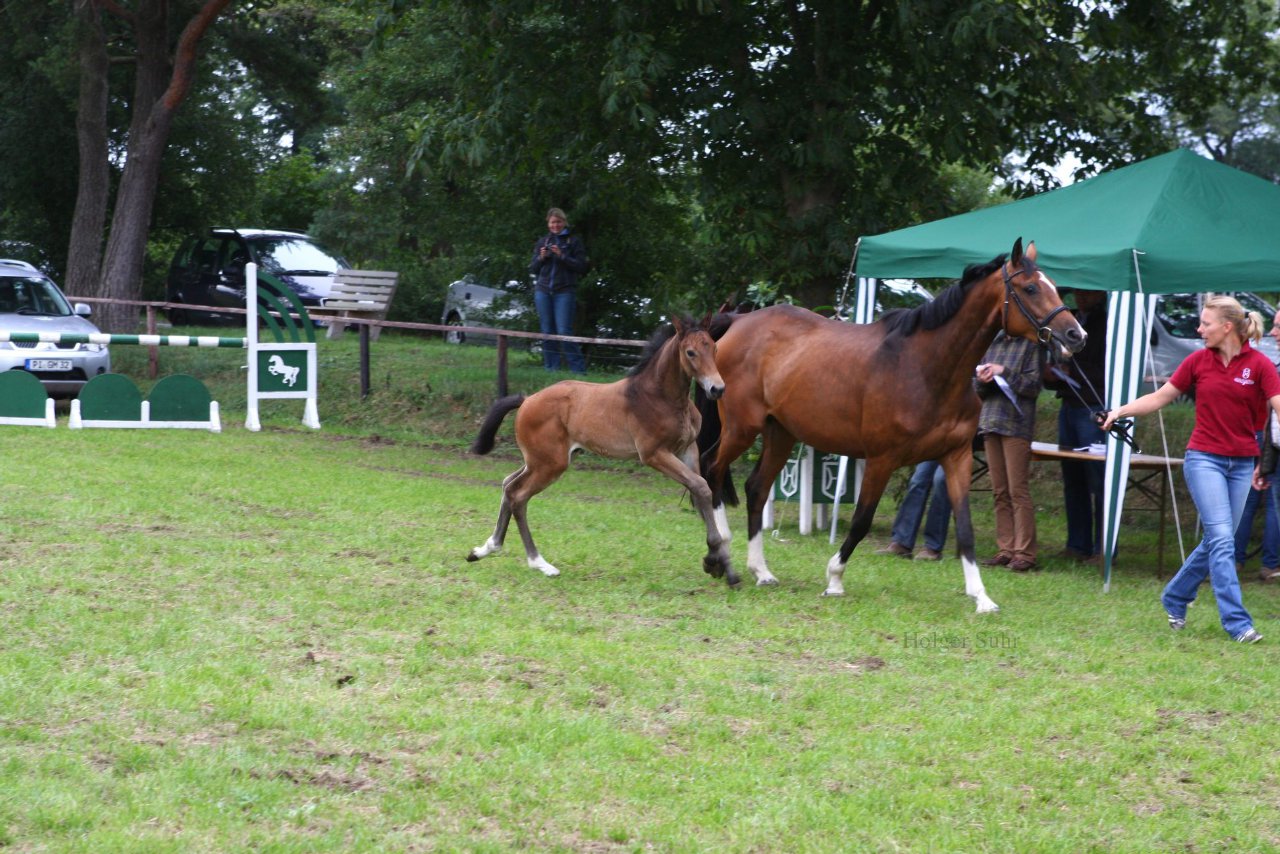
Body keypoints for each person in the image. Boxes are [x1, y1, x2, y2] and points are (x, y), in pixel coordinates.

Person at [1103, 295, 1280, 644]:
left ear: (1227, 327)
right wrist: (1119, 411)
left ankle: (1175, 595)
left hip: (1243, 462)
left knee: (1218, 540)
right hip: (1204, 459)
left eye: (1205, 324)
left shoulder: (1260, 365)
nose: (1199, 329)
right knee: (1223, 540)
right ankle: (1237, 623)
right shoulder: (1197, 361)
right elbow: (1159, 397)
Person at [1043, 288, 1108, 563]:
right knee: (1072, 478)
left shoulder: (1107, 322)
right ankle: (1077, 543)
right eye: (1077, 290)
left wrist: (1071, 370)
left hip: (1093, 406)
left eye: (1087, 290)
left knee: (1099, 479)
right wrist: (1053, 375)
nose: (1081, 295)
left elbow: (1106, 367)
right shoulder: (1070, 317)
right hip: (1069, 404)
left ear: (1101, 293)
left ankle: (1103, 547)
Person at [975, 332, 1044, 572]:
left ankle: (1025, 553)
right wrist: (982, 380)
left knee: (1018, 491)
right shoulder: (991, 343)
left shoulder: (1032, 345)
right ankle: (1006, 549)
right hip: (990, 422)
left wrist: (1003, 371)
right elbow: (977, 390)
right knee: (999, 491)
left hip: (1016, 425)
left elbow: (1034, 386)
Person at [1234, 307, 1280, 582]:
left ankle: (1237, 559)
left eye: (1278, 327)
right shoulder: (1268, 365)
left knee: (1249, 498)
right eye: (1273, 326)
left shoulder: (1266, 365)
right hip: (1265, 440)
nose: (1274, 332)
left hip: (1260, 437)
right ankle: (1270, 564)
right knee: (1265, 501)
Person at [528, 207, 588, 373]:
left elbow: (581, 266)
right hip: (543, 290)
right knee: (547, 331)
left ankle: (578, 370)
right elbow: (533, 268)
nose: (556, 225)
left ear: (564, 222)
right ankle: (551, 368)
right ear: (548, 224)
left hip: (564, 291)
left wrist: (562, 255)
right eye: (552, 222)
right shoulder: (543, 242)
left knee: (564, 331)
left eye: (559, 222)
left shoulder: (573, 242)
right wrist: (541, 257)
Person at [877, 460, 952, 560]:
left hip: (960, 448)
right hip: (936, 445)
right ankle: (902, 543)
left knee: (940, 480)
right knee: (918, 480)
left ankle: (933, 547)